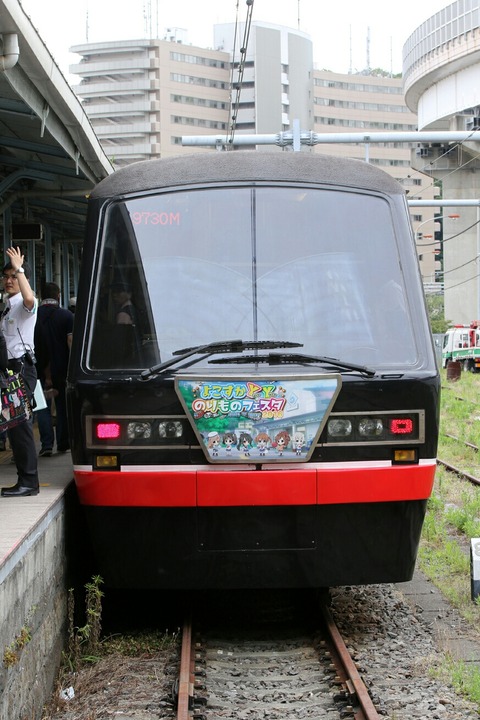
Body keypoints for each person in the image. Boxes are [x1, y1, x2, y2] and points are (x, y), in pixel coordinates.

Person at [0, 246, 39, 497]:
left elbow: (30, 300)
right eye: (6, 276)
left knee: (19, 426)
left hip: (20, 370)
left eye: (13, 276)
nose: (9, 280)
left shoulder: (23, 304)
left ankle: (29, 482)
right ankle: (25, 480)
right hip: (9, 372)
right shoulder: (5, 306)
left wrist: (20, 268)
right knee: (14, 426)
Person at [34, 282, 73, 456]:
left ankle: (46, 444)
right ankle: (63, 443)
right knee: (62, 406)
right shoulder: (66, 316)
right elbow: (70, 343)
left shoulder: (33, 316)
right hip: (62, 369)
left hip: (37, 370)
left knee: (42, 407)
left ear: (42, 296)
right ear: (58, 295)